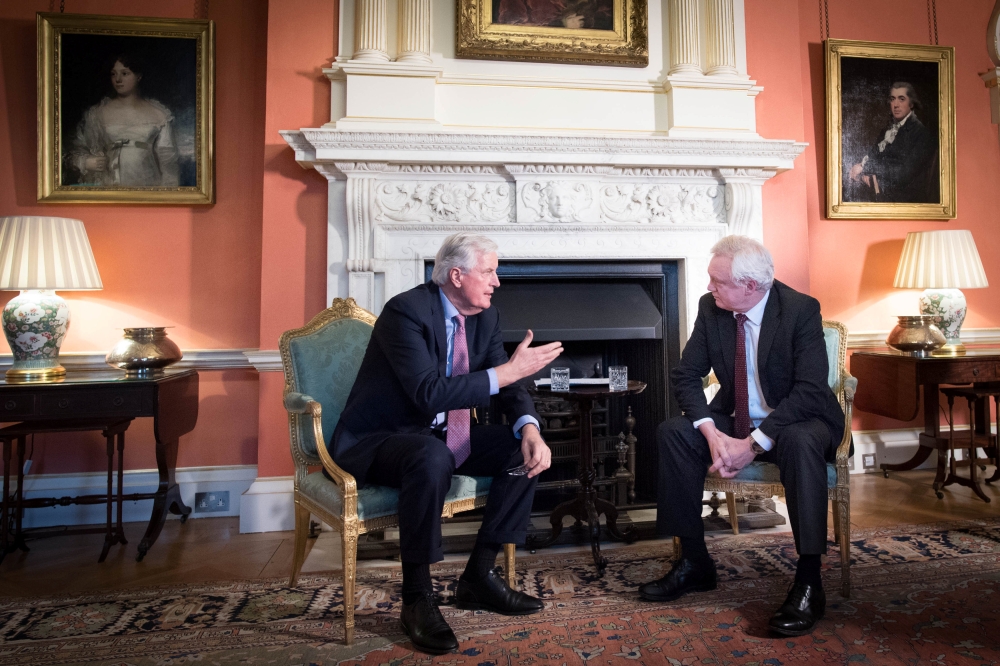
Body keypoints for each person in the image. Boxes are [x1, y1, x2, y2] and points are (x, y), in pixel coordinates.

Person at [330, 233, 563, 655]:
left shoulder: (485, 318)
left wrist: (530, 427)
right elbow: (428, 394)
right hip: (382, 437)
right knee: (431, 454)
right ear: (456, 275)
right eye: (489, 271)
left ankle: (478, 576)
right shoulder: (405, 312)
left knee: (521, 451)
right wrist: (508, 373)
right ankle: (417, 596)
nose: (497, 281)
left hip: (439, 435)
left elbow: (506, 383)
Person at [639, 235, 845, 637]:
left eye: (718, 281)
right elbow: (686, 375)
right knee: (674, 432)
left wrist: (753, 445)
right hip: (734, 422)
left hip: (798, 421)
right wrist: (712, 433)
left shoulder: (800, 309)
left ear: (750, 286)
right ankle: (695, 561)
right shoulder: (711, 308)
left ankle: (808, 582)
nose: (710, 287)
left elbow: (809, 391)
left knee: (802, 443)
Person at [69, 54, 179, 187]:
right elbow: (75, 153)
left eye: (125, 73)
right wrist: (86, 162)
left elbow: (168, 163)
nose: (118, 79)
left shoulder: (159, 114)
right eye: (113, 74)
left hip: (147, 185)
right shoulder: (97, 113)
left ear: (138, 76)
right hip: (109, 186)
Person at [847, 81, 937, 203]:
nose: (896, 104)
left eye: (901, 99)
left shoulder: (920, 133)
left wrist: (865, 169)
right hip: (880, 189)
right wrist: (864, 173)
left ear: (911, 104)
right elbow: (873, 154)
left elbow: (903, 173)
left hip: (904, 198)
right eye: (892, 99)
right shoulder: (888, 129)